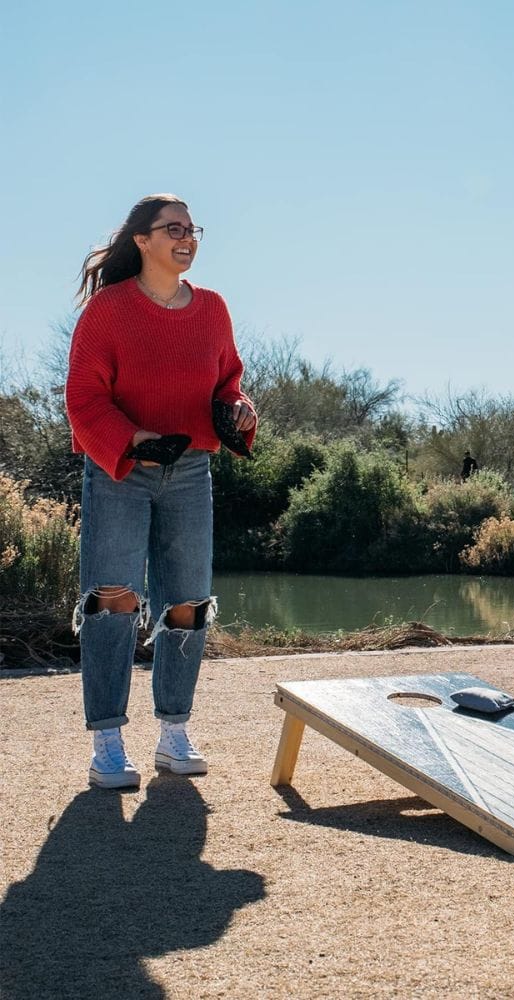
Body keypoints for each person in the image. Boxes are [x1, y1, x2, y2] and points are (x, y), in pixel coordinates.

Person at [65, 194, 257, 790]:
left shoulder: (214, 308)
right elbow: (83, 399)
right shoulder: (108, 310)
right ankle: (108, 741)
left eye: (192, 228)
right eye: (173, 228)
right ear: (142, 240)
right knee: (114, 598)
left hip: (192, 471)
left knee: (187, 605)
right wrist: (134, 439)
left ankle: (173, 732)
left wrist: (240, 411)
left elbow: (227, 383)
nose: (187, 236)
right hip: (120, 469)